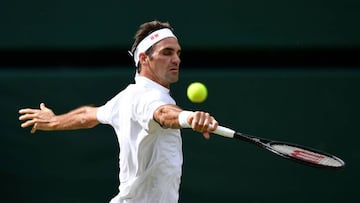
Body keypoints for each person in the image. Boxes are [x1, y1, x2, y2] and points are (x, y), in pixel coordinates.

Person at [18, 20, 219, 203]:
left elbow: (88, 115)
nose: (176, 59)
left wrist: (55, 121)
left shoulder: (127, 97)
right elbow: (163, 113)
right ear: (144, 58)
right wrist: (188, 117)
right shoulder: (146, 98)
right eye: (167, 52)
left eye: (178, 53)